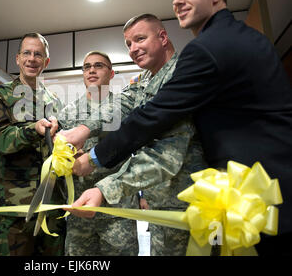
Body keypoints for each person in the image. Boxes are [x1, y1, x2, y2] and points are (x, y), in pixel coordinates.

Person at [63, 0, 292, 256]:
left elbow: (156, 126)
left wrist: (96, 164)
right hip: (230, 198)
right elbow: (125, 102)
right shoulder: (231, 40)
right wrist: (83, 129)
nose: (178, 1)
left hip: (258, 198)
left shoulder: (203, 52)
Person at [67, 15, 207, 256]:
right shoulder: (146, 79)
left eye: (139, 39)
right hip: (162, 204)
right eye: (128, 44)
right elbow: (121, 104)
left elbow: (164, 156)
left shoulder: (181, 77)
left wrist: (103, 188)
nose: (133, 49)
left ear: (162, 37)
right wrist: (84, 129)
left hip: (189, 207)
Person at [0, 32, 65, 256]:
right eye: (27, 53)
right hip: (14, 206)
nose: (32, 59)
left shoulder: (55, 102)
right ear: (17, 59)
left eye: (38, 54)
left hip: (51, 205)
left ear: (46, 62)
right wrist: (33, 130)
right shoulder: (1, 95)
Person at [57, 51, 140, 256]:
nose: (92, 70)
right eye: (87, 67)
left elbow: (137, 151)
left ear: (111, 74)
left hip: (117, 209)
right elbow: (59, 155)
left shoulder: (125, 107)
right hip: (80, 211)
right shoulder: (67, 112)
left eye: (99, 66)